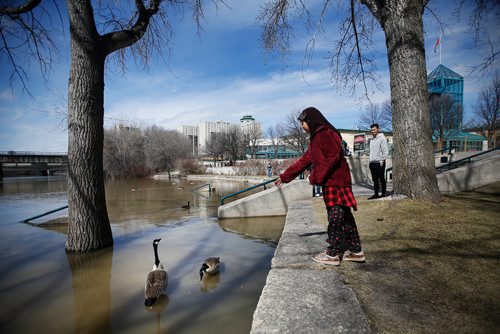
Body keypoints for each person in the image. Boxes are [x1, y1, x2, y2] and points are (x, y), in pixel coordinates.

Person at [275, 107, 365, 266]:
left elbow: (332, 158)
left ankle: (333, 254)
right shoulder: (316, 138)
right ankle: (356, 251)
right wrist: (285, 177)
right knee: (345, 217)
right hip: (335, 181)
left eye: (303, 122)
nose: (302, 126)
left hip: (336, 182)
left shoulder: (325, 134)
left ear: (310, 120)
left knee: (335, 217)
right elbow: (304, 161)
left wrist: (314, 177)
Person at [368, 123, 389, 199]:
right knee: (375, 180)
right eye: (371, 130)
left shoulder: (382, 138)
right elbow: (371, 152)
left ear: (378, 129)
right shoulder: (372, 140)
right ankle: (376, 194)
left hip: (379, 163)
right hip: (372, 163)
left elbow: (385, 152)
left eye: (374, 129)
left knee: (381, 179)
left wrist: (381, 161)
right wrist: (370, 161)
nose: (372, 131)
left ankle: (383, 194)